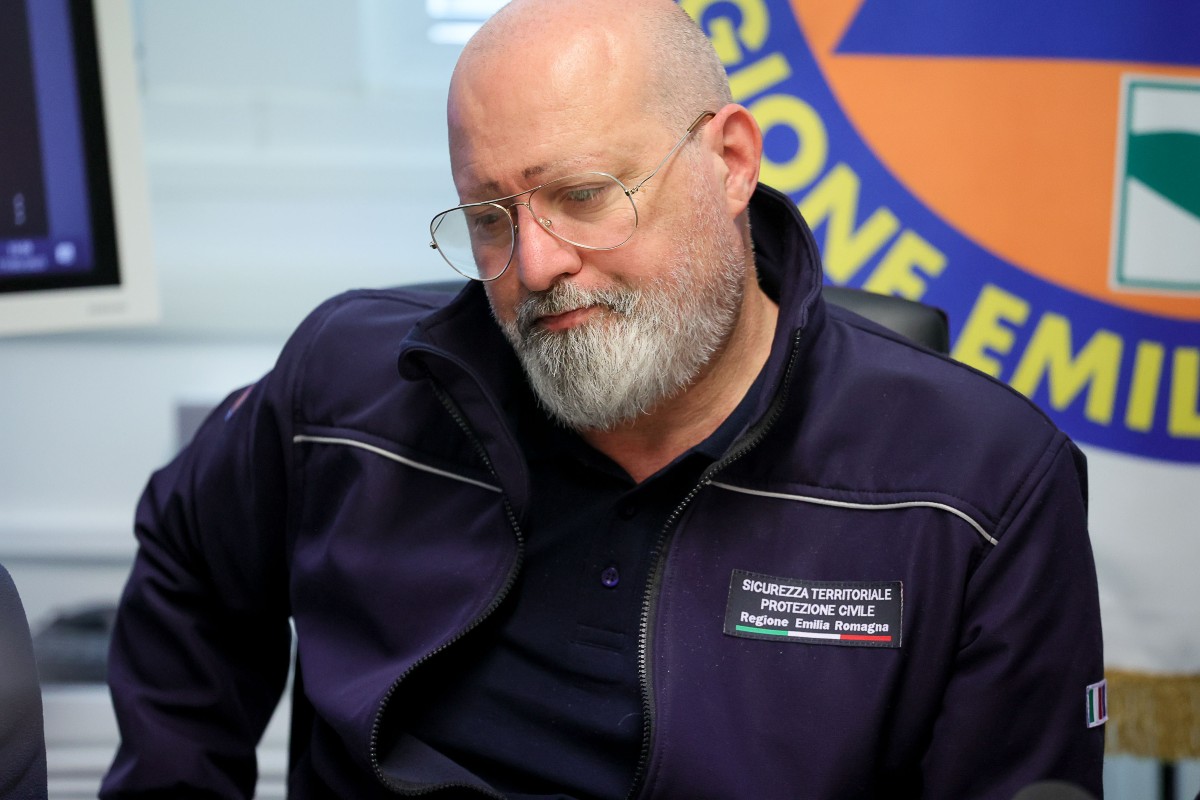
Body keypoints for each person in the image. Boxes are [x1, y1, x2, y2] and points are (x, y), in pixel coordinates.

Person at [101, 0, 1105, 797]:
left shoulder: (979, 484)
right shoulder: (352, 386)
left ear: (731, 162)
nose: (536, 265)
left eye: (583, 196)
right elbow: (189, 558)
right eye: (489, 217)